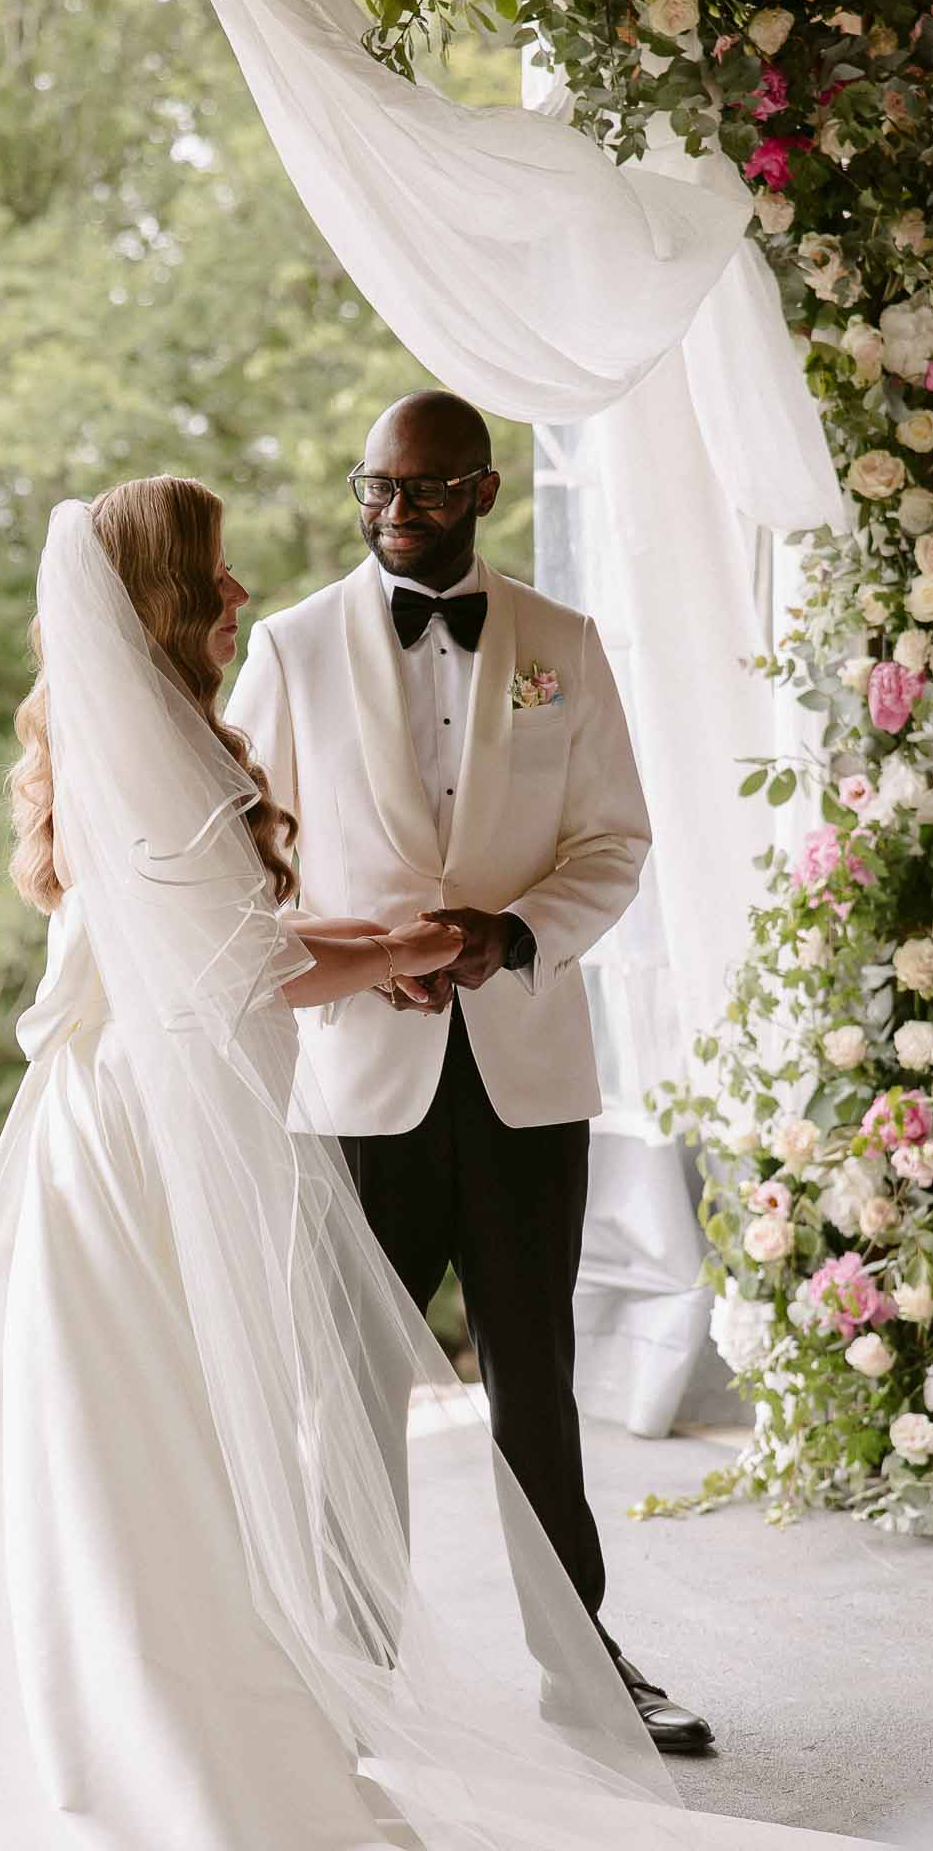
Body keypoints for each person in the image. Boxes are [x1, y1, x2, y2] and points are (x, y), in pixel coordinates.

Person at [0, 477, 846, 1851]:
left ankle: (258, 1673)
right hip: (148, 1136)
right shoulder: (165, 737)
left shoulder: (162, 729)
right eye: (209, 575)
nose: (234, 595)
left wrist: (414, 949)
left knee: (194, 1420)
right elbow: (240, 962)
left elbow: (234, 948)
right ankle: (161, 1701)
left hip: (176, 1108)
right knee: (159, 1419)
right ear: (159, 596)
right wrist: (397, 954)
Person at [227, 391, 713, 1754]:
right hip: (354, 1080)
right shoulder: (290, 644)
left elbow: (612, 840)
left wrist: (507, 935)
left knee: (535, 1383)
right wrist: (352, 952)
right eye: (373, 488)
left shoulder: (560, 643)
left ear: (485, 492)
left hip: (522, 1075)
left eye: (425, 492)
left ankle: (584, 1662)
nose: (393, 513)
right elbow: (239, 852)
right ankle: (352, 1673)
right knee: (349, 1385)